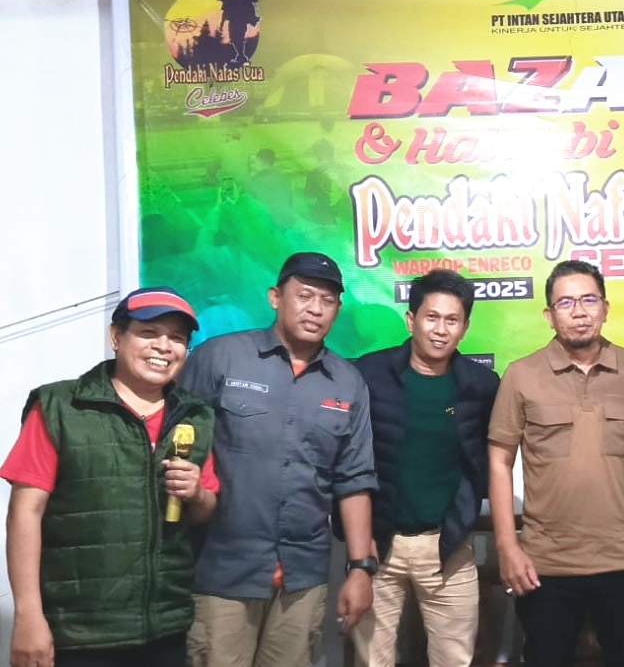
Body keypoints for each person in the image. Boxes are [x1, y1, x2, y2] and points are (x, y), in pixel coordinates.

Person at [178, 252, 377, 667]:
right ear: (275, 297)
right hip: (222, 573)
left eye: (327, 300)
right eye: (304, 295)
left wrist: (360, 568)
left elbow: (354, 479)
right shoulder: (220, 357)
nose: (315, 309)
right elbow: (178, 447)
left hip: (302, 578)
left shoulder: (348, 382)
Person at [2, 287, 219, 667]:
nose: (163, 346)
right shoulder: (60, 407)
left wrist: (196, 494)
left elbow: (205, 510)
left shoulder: (195, 416)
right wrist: (28, 615)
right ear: (116, 337)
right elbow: (25, 513)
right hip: (78, 632)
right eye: (149, 333)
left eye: (177, 338)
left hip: (166, 627)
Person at [488, 260, 624, 667]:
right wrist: (507, 546)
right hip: (545, 565)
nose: (579, 312)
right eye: (566, 303)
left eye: (588, 300)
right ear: (549, 315)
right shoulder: (521, 374)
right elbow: (498, 461)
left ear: (605, 308)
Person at [348, 270, 499, 667]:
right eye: (431, 317)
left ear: (465, 327)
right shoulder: (369, 374)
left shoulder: (482, 385)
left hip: (448, 546)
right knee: (372, 660)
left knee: (455, 659)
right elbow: (347, 459)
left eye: (452, 320)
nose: (440, 330)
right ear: (410, 320)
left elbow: (490, 457)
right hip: (379, 545)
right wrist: (358, 546)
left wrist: (465, 511)